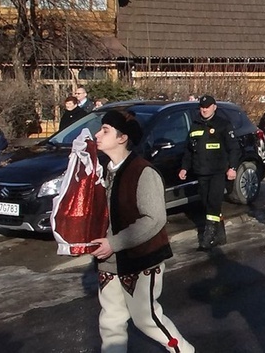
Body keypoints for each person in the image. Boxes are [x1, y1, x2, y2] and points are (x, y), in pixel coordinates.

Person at [91, 110, 194, 353]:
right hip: (109, 262)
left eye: (105, 130)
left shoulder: (143, 172)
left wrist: (113, 243)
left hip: (141, 260)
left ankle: (185, 351)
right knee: (110, 320)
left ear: (122, 138)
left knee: (146, 318)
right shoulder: (104, 171)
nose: (98, 134)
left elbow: (154, 220)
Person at [179, 95, 242, 250]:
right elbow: (189, 150)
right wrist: (184, 168)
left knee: (213, 202)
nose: (204, 110)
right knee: (207, 203)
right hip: (201, 171)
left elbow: (234, 148)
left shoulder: (223, 125)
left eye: (207, 107)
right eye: (202, 107)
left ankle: (209, 236)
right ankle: (220, 234)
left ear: (214, 107)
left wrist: (233, 168)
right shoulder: (195, 125)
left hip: (218, 172)